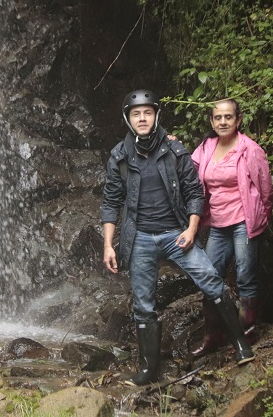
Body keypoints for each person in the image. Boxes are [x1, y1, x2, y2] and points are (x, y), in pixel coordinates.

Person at [101, 89, 254, 385]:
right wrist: (108, 244)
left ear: (156, 115)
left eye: (147, 112)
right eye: (136, 114)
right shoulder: (119, 156)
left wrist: (192, 229)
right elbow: (111, 202)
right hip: (140, 239)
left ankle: (240, 344)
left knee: (211, 282)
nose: (142, 118)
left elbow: (195, 192)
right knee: (143, 304)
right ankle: (149, 370)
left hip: (176, 233)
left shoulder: (175, 151)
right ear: (128, 119)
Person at [190, 99, 273, 357]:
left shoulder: (250, 150)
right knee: (209, 278)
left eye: (228, 117)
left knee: (245, 276)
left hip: (244, 222)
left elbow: (265, 189)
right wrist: (170, 145)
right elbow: (186, 169)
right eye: (218, 118)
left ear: (238, 120)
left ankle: (247, 332)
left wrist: (261, 216)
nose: (223, 122)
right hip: (217, 223)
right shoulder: (205, 148)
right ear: (211, 121)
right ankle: (214, 334)